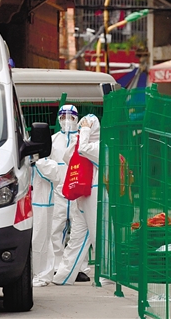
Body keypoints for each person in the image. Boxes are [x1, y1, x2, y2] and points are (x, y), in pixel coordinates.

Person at [32, 104, 81, 285]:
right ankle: (56, 266)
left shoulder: (81, 140)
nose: (67, 121)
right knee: (55, 229)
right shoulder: (53, 140)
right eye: (63, 117)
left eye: (71, 117)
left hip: (77, 189)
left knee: (78, 229)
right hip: (57, 190)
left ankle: (80, 267)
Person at [53, 113, 100, 285]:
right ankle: (63, 276)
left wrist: (84, 132)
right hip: (84, 194)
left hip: (95, 193)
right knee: (77, 238)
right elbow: (68, 156)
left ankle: (106, 276)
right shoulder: (82, 142)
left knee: (97, 235)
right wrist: (77, 138)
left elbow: (83, 150)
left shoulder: (100, 146)